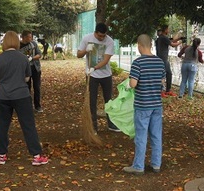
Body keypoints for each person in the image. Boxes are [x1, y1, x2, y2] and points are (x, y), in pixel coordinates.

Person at [0, 31, 48, 166]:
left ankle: (2, 155)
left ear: (4, 43)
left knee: (2, 125)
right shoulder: (23, 58)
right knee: (28, 125)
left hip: (4, 97)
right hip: (22, 96)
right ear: (17, 42)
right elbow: (27, 78)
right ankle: (36, 156)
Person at [123, 34, 165, 175]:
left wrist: (130, 82)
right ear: (151, 45)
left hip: (142, 105)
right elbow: (162, 85)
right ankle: (156, 164)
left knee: (141, 136)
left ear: (139, 45)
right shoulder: (160, 62)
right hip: (157, 105)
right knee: (156, 135)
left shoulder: (138, 63)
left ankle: (138, 166)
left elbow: (133, 84)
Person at [77, 23, 120, 133]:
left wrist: (94, 68)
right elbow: (79, 55)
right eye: (99, 36)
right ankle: (94, 127)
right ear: (95, 32)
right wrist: (86, 50)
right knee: (92, 101)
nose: (101, 38)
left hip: (106, 75)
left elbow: (105, 60)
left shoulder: (109, 41)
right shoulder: (87, 38)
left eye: (103, 36)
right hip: (92, 76)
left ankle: (111, 124)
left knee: (109, 100)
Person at [20, 30, 43, 113]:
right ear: (24, 37)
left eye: (31, 36)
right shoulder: (18, 46)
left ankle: (37, 106)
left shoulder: (33, 44)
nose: (31, 38)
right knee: (26, 88)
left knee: (37, 87)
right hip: (25, 70)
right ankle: (27, 106)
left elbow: (40, 54)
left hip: (35, 68)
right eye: (29, 37)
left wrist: (32, 58)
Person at [156, 24, 182, 97]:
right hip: (163, 59)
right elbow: (173, 44)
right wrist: (181, 42)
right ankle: (166, 91)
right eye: (168, 29)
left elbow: (171, 40)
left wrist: (179, 38)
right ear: (165, 30)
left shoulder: (161, 38)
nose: (169, 30)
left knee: (163, 75)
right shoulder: (163, 37)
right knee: (168, 74)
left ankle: (164, 90)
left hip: (161, 58)